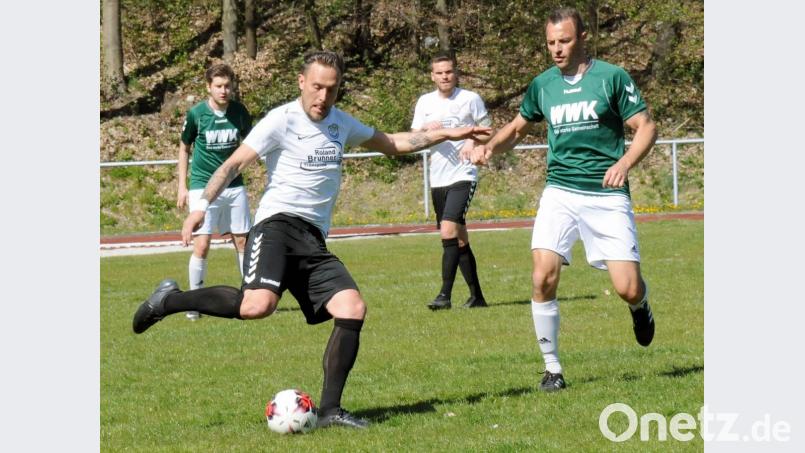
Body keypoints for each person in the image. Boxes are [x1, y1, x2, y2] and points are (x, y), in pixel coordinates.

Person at [133, 50, 490, 429]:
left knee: (352, 307)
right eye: (317, 87)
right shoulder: (281, 120)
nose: (323, 96)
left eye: (331, 89)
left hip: (313, 238)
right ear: (302, 82)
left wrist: (448, 133)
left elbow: (392, 142)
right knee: (257, 306)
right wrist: (201, 205)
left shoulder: (341, 122)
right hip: (276, 226)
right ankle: (168, 301)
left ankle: (330, 410)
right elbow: (234, 163)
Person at [467, 7, 658, 392]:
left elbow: (646, 126)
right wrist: (488, 148)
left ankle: (640, 306)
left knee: (627, 287)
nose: (556, 49)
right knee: (542, 275)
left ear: (583, 38)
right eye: (551, 42)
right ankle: (552, 369)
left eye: (564, 41)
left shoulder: (611, 77)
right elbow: (517, 128)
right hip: (560, 191)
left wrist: (624, 162)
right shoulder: (543, 85)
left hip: (606, 194)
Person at [411, 51, 491, 310]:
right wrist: (426, 129)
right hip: (438, 179)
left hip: (463, 174)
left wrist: (471, 141)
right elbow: (413, 137)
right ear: (432, 76)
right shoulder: (425, 102)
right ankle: (477, 297)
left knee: (447, 230)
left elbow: (487, 130)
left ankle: (444, 295)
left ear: (456, 73)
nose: (445, 76)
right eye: (440, 73)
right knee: (459, 239)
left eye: (449, 71)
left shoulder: (470, 99)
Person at [177, 63, 253, 320]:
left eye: (228, 86)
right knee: (202, 244)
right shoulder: (197, 114)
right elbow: (184, 148)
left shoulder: (240, 113)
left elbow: (251, 145)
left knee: (243, 241)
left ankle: (250, 299)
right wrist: (182, 186)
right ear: (208, 87)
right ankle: (193, 305)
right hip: (202, 185)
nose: (224, 90)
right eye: (219, 86)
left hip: (233, 185)